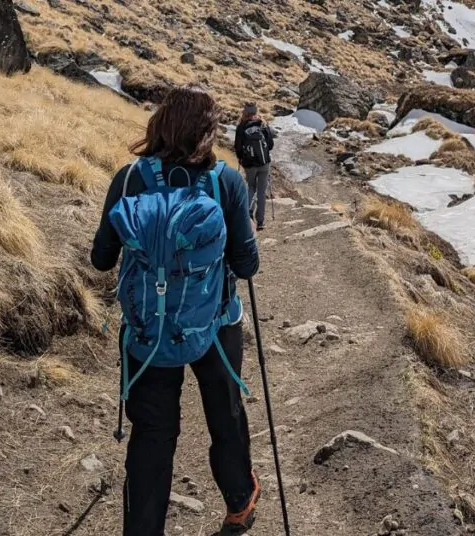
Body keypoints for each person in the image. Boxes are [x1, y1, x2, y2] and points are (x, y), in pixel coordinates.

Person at [91, 85, 261, 536]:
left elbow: (101, 259)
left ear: (160, 123)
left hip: (147, 329)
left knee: (153, 434)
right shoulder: (225, 181)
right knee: (224, 415)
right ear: (208, 131)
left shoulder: (129, 180)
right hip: (216, 323)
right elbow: (247, 264)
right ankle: (240, 503)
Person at [234, 103, 275, 231]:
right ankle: (261, 221)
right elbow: (270, 144)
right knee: (262, 192)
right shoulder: (262, 124)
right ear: (256, 111)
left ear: (244, 112)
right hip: (264, 163)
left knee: (251, 187)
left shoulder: (241, 127)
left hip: (250, 164)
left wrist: (241, 158)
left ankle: (248, 215)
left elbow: (238, 147)